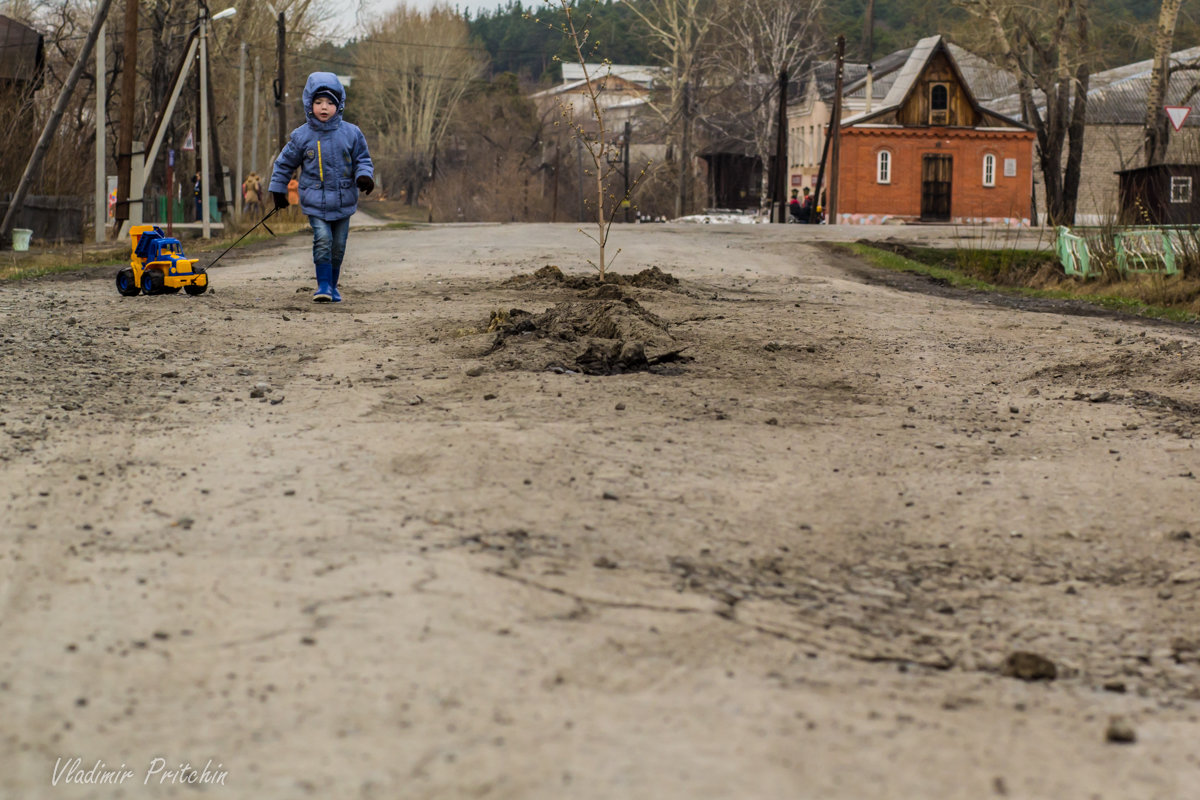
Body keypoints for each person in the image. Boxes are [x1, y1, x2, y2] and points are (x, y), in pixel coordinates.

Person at [269, 72, 374, 303]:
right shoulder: (301, 136)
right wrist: (278, 189)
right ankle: (323, 285)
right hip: (314, 200)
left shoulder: (352, 133)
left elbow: (363, 160)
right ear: (309, 104)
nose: (324, 107)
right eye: (318, 102)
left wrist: (365, 176)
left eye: (329, 103)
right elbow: (284, 164)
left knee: (338, 246)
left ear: (339, 105)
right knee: (323, 239)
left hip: (345, 199)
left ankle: (333, 286)